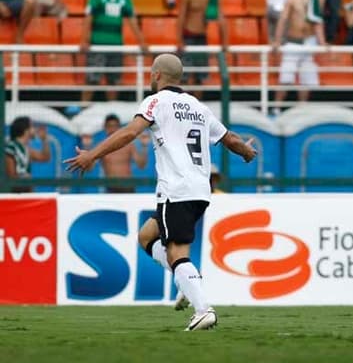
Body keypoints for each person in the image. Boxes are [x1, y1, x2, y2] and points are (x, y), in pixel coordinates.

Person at [64, 54, 258, 331]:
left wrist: (92, 155)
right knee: (146, 236)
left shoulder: (156, 102)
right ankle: (186, 282)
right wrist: (247, 151)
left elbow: (131, 132)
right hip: (201, 190)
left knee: (177, 250)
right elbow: (231, 139)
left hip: (176, 189)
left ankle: (203, 309)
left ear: (156, 75)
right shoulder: (198, 107)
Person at [81, 0, 147, 102]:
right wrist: (84, 39)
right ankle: (83, 107)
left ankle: (112, 106)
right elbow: (89, 16)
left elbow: (132, 19)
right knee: (92, 79)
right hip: (97, 44)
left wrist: (142, 41)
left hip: (116, 44)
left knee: (114, 80)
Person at [273, 0, 326, 110]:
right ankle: (276, 108)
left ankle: (302, 108)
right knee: (285, 77)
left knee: (306, 79)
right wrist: (277, 40)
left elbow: (317, 21)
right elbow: (283, 19)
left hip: (310, 42)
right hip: (293, 42)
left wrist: (322, 42)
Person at [177, 0, 229, 98]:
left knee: (200, 75)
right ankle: (186, 104)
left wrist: (224, 42)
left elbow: (221, 18)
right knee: (187, 74)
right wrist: (179, 40)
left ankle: (197, 104)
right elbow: (181, 17)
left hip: (202, 37)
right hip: (188, 35)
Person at [101, 114, 149, 193]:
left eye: (115, 126)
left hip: (128, 186)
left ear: (119, 127)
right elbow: (90, 168)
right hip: (111, 187)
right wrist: (87, 146)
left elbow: (141, 165)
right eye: (109, 126)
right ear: (105, 127)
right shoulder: (101, 147)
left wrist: (144, 146)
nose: (112, 129)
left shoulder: (128, 145)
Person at [5, 117, 50, 193]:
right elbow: (10, 177)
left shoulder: (26, 149)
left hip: (24, 192)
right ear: (26, 130)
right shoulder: (10, 148)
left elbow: (45, 157)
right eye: (32, 126)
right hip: (11, 195)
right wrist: (25, 179)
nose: (35, 130)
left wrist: (44, 140)